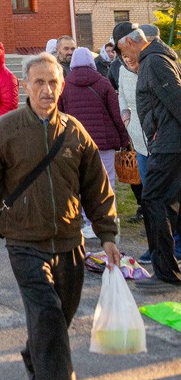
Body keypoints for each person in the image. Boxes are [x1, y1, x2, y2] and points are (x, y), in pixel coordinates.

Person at [0, 52, 120, 380]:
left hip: (69, 241)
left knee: (58, 316)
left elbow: (97, 187)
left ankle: (35, 354)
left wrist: (107, 234)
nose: (47, 90)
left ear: (62, 85)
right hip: (24, 241)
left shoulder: (75, 132)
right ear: (26, 85)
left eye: (53, 82)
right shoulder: (9, 128)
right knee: (47, 313)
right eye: (39, 82)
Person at [113, 21, 181, 288]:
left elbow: (176, 100)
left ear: (131, 41)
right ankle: (167, 268)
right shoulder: (155, 59)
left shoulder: (153, 62)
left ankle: (164, 271)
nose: (123, 57)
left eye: (122, 49)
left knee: (152, 199)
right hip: (167, 142)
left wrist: (157, 134)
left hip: (168, 145)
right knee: (167, 203)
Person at [58, 46, 129, 238]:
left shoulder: (64, 86)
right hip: (103, 143)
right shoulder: (103, 83)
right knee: (107, 181)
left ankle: (89, 223)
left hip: (76, 144)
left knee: (81, 183)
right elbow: (116, 115)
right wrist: (124, 138)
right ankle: (108, 219)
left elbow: (60, 115)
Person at [117, 45, 146, 227]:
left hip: (156, 136)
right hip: (135, 136)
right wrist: (125, 116)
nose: (127, 59)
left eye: (130, 55)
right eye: (124, 56)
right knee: (142, 181)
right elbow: (121, 94)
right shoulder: (121, 69)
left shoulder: (151, 67)